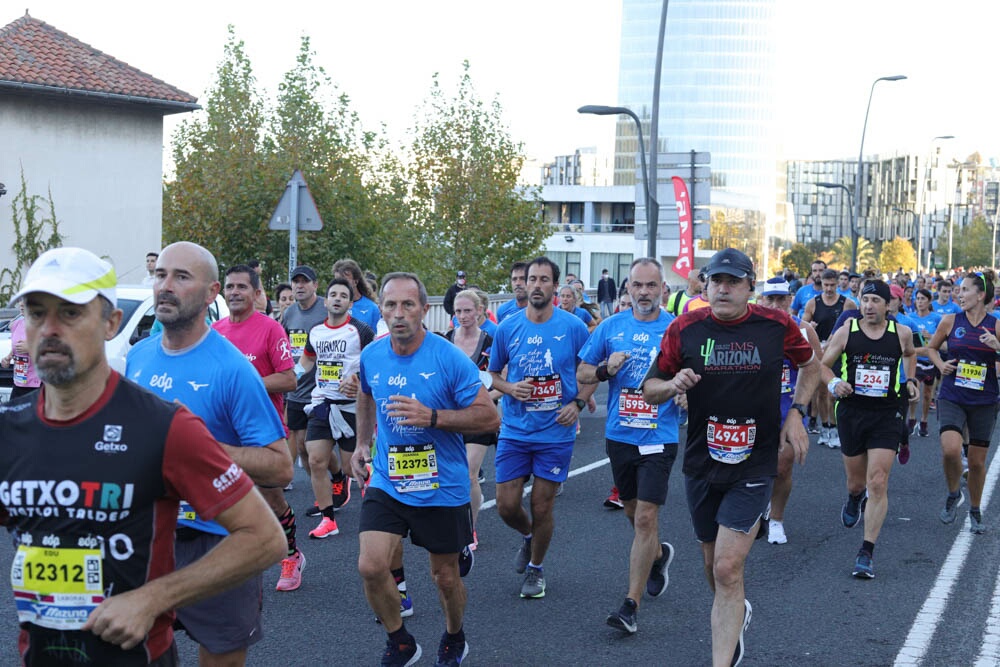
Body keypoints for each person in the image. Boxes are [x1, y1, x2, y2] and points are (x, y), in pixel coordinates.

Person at [1, 247, 284, 666]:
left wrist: (150, 599)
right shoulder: (10, 428)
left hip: (204, 548)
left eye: (71, 313)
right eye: (37, 313)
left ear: (111, 324)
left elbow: (267, 524)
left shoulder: (173, 420)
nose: (50, 329)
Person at [641, 248, 819, 667]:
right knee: (712, 565)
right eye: (716, 280)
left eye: (733, 281)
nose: (723, 288)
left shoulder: (775, 325)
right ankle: (736, 611)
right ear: (704, 285)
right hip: (703, 461)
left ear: (749, 288)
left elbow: (811, 365)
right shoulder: (684, 328)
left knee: (726, 567)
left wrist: (796, 411)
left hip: (756, 461)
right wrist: (672, 385)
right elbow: (650, 388)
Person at [126, 242, 293, 666]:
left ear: (210, 292)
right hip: (146, 536)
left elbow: (279, 465)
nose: (165, 286)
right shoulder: (139, 356)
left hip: (218, 541)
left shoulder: (232, 368)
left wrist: (205, 452)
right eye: (161, 274)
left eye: (181, 277)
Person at [351, 272, 498, 667]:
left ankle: (454, 636)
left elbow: (489, 418)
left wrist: (432, 417)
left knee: (445, 577)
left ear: (425, 310)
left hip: (441, 484)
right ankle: (400, 641)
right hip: (389, 478)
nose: (399, 314)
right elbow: (365, 395)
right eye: (391, 305)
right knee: (370, 564)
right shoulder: (372, 354)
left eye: (408, 305)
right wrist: (363, 442)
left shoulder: (447, 357)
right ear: (381, 309)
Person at [578, 258, 680, 635]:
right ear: (627, 289)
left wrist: (685, 393)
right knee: (632, 513)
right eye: (637, 285)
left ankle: (630, 606)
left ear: (662, 289)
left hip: (659, 436)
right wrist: (606, 368)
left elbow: (692, 374)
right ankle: (657, 554)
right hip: (620, 436)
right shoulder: (611, 326)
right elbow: (582, 372)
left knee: (644, 518)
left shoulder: (677, 328)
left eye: (651, 286)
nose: (643, 293)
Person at [489, 257, 595, 600]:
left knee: (542, 504)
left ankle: (536, 569)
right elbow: (492, 375)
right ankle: (529, 537)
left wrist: (577, 403)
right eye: (530, 279)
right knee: (506, 505)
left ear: (554, 286)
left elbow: (591, 372)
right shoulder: (507, 327)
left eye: (543, 279)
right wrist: (509, 388)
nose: (535, 284)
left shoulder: (574, 327)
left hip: (555, 431)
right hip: (516, 429)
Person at [213, 265, 304, 592]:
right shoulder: (215, 330)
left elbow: (289, 379)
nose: (235, 292)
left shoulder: (270, 329)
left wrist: (245, 385)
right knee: (223, 499)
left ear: (255, 294)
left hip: (262, 430)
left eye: (241, 287)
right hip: (224, 431)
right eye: (230, 287)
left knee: (272, 500)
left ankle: (291, 555)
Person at [821, 280, 917, 578]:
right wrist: (834, 383)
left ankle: (866, 551)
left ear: (888, 305)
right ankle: (853, 498)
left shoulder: (900, 333)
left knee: (877, 480)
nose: (869, 305)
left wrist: (910, 380)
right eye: (865, 299)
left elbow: (911, 354)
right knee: (857, 483)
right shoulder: (846, 331)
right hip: (852, 412)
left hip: (887, 413)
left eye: (876, 300)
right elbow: (824, 365)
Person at [299, 278, 375, 539]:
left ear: (350, 302)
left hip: (352, 407)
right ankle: (328, 520)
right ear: (326, 299)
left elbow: (374, 361)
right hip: (322, 402)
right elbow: (308, 359)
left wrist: (357, 381)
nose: (338, 298)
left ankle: (370, 491)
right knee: (316, 460)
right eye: (333, 294)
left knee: (350, 466)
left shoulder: (361, 330)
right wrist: (291, 373)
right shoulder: (316, 331)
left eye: (343, 295)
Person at [925, 271, 1000, 534]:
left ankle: (975, 509)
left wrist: (997, 347)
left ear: (981, 295)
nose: (960, 294)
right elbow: (932, 348)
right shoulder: (949, 321)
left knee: (978, 463)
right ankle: (954, 492)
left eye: (965, 289)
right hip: (952, 395)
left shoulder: (996, 325)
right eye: (959, 289)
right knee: (951, 449)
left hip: (984, 400)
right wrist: (940, 363)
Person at [756, 277, 822, 546]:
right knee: (751, 469)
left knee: (783, 468)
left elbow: (815, 367)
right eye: (769, 299)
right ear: (761, 301)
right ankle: (755, 510)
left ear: (789, 300)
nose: (775, 305)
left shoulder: (804, 330)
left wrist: (802, 405)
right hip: (754, 408)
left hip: (788, 410)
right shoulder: (750, 328)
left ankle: (776, 520)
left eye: (780, 299)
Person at [443, 289, 501, 550]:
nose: (463, 316)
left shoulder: (492, 341)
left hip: (479, 416)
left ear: (480, 311)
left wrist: (486, 398)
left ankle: (469, 528)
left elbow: (503, 381)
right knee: (449, 473)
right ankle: (449, 520)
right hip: (451, 416)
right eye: (458, 311)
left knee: (469, 473)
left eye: (468, 311)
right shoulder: (444, 341)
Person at [282, 266, 331, 506]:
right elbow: (283, 345)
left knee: (315, 450)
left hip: (322, 390)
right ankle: (322, 491)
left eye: (305, 282)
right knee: (302, 446)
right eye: (296, 282)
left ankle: (336, 482)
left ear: (315, 285)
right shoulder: (289, 313)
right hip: (296, 389)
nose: (299, 286)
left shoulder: (325, 308)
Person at [802, 269, 848, 448]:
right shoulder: (813, 303)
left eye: (832, 285)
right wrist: (810, 326)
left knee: (833, 394)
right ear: (821, 283)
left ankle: (835, 428)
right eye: (826, 285)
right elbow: (803, 325)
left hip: (837, 353)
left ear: (837, 284)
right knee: (821, 393)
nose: (829, 289)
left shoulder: (847, 303)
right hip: (818, 351)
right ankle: (825, 428)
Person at [0, 299, 41, 399]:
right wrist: (8, 358)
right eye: (20, 300)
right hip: (19, 381)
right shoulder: (16, 324)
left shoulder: (43, 325)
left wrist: (31, 348)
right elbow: (16, 345)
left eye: (26, 300)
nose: (21, 304)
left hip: (38, 384)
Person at [332, 258, 383, 333]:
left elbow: (377, 339)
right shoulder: (331, 306)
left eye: (344, 280)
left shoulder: (372, 308)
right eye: (337, 280)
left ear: (355, 281)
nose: (340, 284)